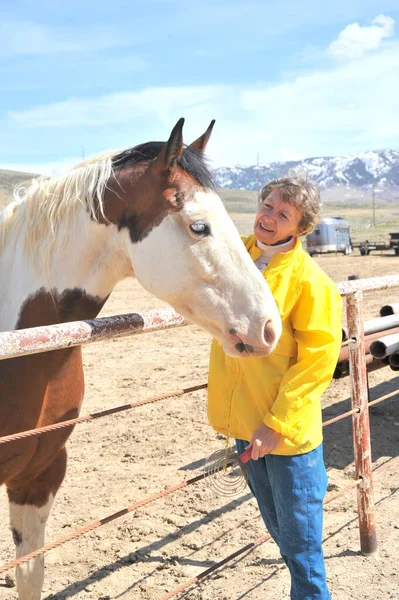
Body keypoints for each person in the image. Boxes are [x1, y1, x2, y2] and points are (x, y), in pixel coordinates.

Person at [207, 172, 342, 599]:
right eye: (267, 206)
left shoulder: (310, 282)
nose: (269, 217)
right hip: (245, 424)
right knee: (280, 533)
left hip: (284, 436)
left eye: (284, 215)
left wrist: (276, 424)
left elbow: (317, 362)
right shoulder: (234, 256)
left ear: (301, 229)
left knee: (301, 548)